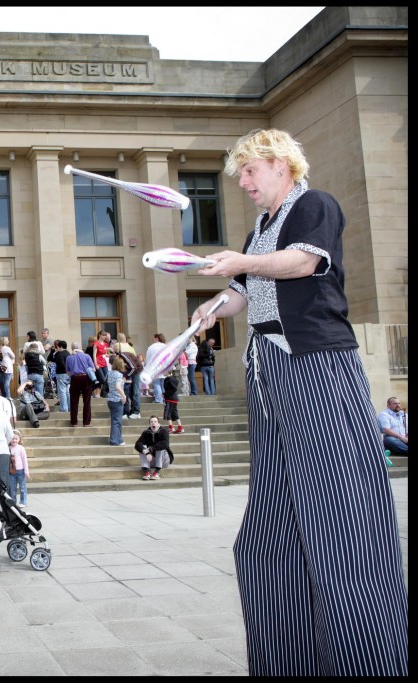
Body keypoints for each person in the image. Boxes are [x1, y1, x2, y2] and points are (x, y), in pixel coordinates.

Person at [193, 128, 407, 676]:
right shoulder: (259, 228)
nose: (242, 183)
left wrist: (239, 264)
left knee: (342, 526)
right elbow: (247, 290)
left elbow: (302, 264)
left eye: (249, 171)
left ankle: (369, 663)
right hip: (268, 379)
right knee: (265, 542)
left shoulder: (314, 204)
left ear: (281, 164)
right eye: (239, 174)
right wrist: (214, 306)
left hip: (317, 370)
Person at [65, 343, 96, 427]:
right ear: (79, 348)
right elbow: (93, 369)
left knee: (74, 401)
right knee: (87, 401)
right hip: (86, 378)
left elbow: (67, 372)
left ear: (72, 348)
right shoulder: (87, 356)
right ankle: (86, 422)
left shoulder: (69, 357)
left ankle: (74, 422)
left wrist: (74, 371)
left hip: (75, 378)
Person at [134, 416, 172, 481]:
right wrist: (146, 452)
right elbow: (138, 444)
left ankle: (157, 472)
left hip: (164, 461)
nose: (153, 423)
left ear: (158, 424)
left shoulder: (164, 432)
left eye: (155, 422)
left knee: (160, 448)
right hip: (152, 460)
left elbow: (165, 444)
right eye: (151, 422)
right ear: (149, 424)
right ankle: (147, 472)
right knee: (142, 449)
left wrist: (150, 449)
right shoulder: (146, 433)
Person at [106, 354, 128, 446]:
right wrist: (124, 396)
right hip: (117, 399)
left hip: (110, 399)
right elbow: (118, 387)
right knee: (117, 421)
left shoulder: (109, 372)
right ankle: (115, 440)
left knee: (114, 420)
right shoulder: (119, 374)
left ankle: (118, 438)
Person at [7, 430, 30, 508]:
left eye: (16, 438)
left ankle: (23, 501)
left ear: (19, 439)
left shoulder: (21, 448)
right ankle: (13, 502)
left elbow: (24, 460)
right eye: (12, 438)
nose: (14, 440)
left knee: (22, 487)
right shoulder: (8, 448)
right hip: (11, 471)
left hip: (21, 470)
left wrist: (26, 471)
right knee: (12, 488)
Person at [143, 333, 167, 403]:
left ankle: (159, 399)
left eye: (153, 338)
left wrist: (147, 369)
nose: (153, 340)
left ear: (156, 338)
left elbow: (148, 359)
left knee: (156, 384)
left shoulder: (151, 347)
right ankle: (164, 398)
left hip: (154, 368)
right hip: (164, 367)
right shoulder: (165, 346)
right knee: (162, 384)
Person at [52, 340, 71, 415]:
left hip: (61, 374)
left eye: (58, 347)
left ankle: (64, 408)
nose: (57, 348)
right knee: (68, 392)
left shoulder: (59, 354)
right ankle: (70, 407)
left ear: (61, 347)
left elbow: (60, 363)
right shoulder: (68, 353)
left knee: (62, 392)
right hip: (68, 374)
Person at [0, 336, 15, 400]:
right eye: (7, 340)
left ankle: (4, 394)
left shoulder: (0, 348)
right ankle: (8, 396)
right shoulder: (7, 348)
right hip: (8, 364)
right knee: (7, 381)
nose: (8, 341)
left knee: (4, 380)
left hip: (2, 364)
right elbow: (13, 355)